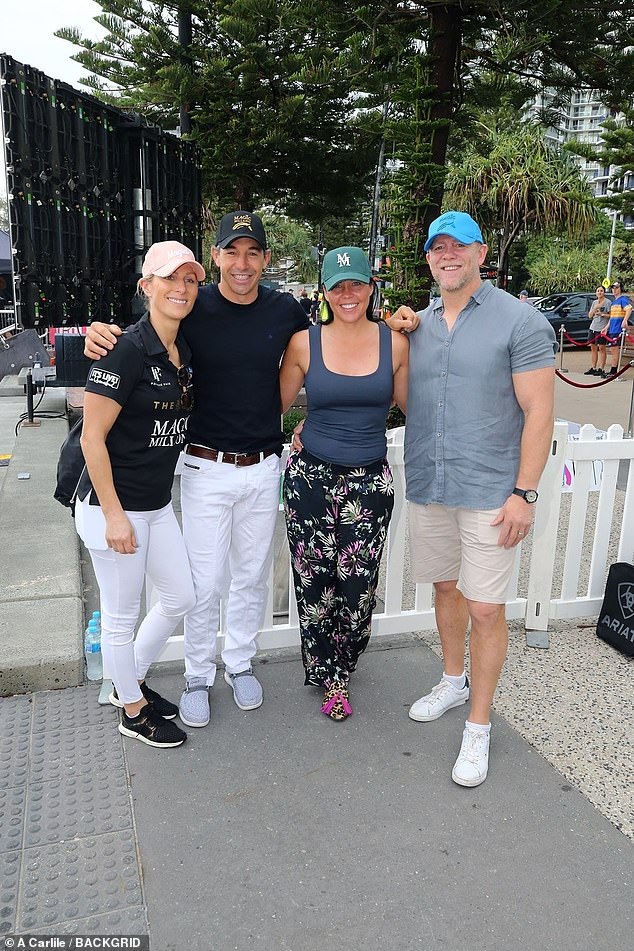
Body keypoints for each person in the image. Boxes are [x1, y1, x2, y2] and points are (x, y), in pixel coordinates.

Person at [85, 213, 422, 729]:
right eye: (231, 252)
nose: (241, 263)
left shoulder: (285, 309)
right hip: (205, 465)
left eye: (252, 253)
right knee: (203, 581)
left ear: (265, 259)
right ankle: (199, 675)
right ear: (215, 257)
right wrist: (100, 332)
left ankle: (239, 662)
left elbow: (338, 335)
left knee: (249, 577)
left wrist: (399, 323)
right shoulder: (193, 306)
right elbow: (147, 327)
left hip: (265, 465)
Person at [394, 210, 556, 787]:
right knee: (445, 588)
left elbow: (540, 412)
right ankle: (452, 678)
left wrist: (525, 492)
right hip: (433, 481)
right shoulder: (420, 323)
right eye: (437, 248)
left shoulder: (522, 321)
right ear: (430, 258)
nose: (447, 256)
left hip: (491, 487)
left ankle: (479, 726)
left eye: (457, 247)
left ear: (481, 253)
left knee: (486, 607)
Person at [77, 240, 205, 748]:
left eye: (190, 279)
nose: (180, 288)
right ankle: (130, 707)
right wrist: (113, 516)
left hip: (155, 504)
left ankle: (129, 680)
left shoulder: (181, 350)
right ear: (146, 287)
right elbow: (91, 437)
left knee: (181, 595)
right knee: (122, 613)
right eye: (169, 279)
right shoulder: (125, 348)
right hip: (113, 507)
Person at [279, 247, 409, 720]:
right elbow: (270, 405)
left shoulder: (395, 343)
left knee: (358, 584)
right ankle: (328, 674)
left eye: (356, 283)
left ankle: (344, 661)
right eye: (337, 286)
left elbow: (416, 404)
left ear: (371, 287)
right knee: (314, 583)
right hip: (311, 476)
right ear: (325, 292)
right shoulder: (303, 343)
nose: (348, 294)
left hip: (370, 483)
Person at [605, 280, 632, 376]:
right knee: (613, 349)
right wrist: (606, 327)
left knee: (615, 349)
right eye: (613, 287)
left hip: (618, 330)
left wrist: (625, 320)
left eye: (616, 287)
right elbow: (612, 317)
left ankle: (614, 370)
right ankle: (613, 370)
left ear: (620, 289)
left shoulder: (622, 299)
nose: (614, 289)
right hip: (612, 329)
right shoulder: (614, 302)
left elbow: (629, 309)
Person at [584, 286, 610, 377]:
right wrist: (595, 308)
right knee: (593, 348)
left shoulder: (607, 302)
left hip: (602, 328)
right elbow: (590, 316)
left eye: (601, 291)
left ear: (604, 292)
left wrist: (602, 314)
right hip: (593, 327)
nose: (599, 292)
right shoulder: (594, 302)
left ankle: (601, 368)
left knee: (602, 348)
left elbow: (611, 316)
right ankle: (593, 367)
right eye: (598, 291)